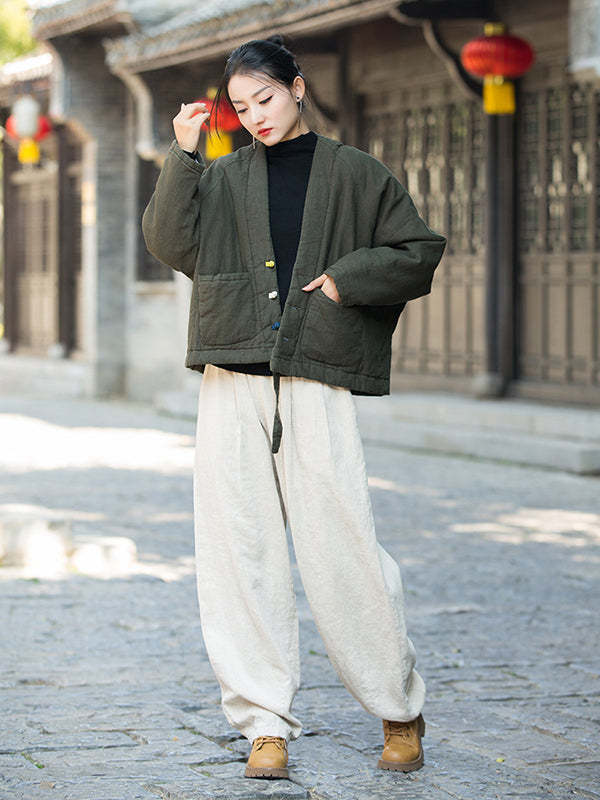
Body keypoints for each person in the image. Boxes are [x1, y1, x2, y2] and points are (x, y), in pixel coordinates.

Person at [142, 34, 446, 781]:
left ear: (297, 88)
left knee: (343, 544)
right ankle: (264, 725)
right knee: (238, 550)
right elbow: (169, 241)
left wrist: (347, 277)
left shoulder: (356, 172)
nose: (256, 116)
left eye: (266, 98)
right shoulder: (220, 176)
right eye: (241, 107)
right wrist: (183, 155)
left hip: (316, 377)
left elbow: (416, 250)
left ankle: (397, 708)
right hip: (232, 376)